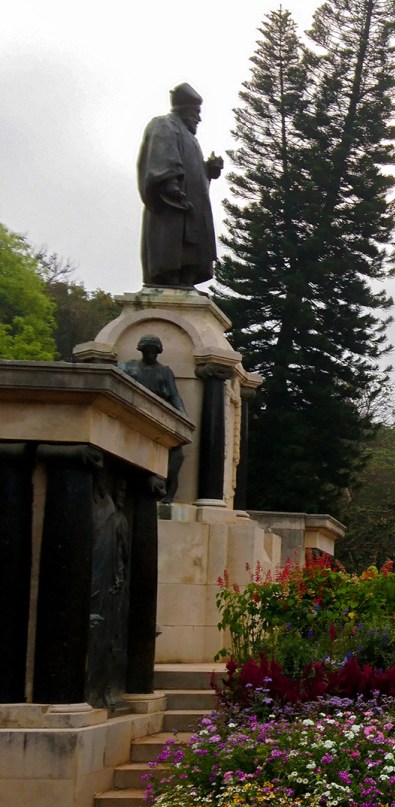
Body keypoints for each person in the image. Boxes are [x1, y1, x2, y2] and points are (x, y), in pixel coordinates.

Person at [137, 83, 223, 288]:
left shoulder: (190, 137)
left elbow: (192, 173)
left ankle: (186, 279)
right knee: (171, 243)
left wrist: (208, 170)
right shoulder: (163, 124)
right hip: (172, 204)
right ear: (184, 110)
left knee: (192, 247)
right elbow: (162, 156)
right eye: (196, 112)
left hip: (192, 205)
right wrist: (170, 185)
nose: (199, 118)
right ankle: (170, 278)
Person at [120, 335, 189, 502]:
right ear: (141, 350)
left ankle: (166, 491)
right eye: (148, 350)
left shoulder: (164, 371)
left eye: (154, 351)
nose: (151, 354)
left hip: (159, 415)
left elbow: (174, 396)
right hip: (134, 414)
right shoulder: (128, 367)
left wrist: (183, 418)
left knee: (176, 454)